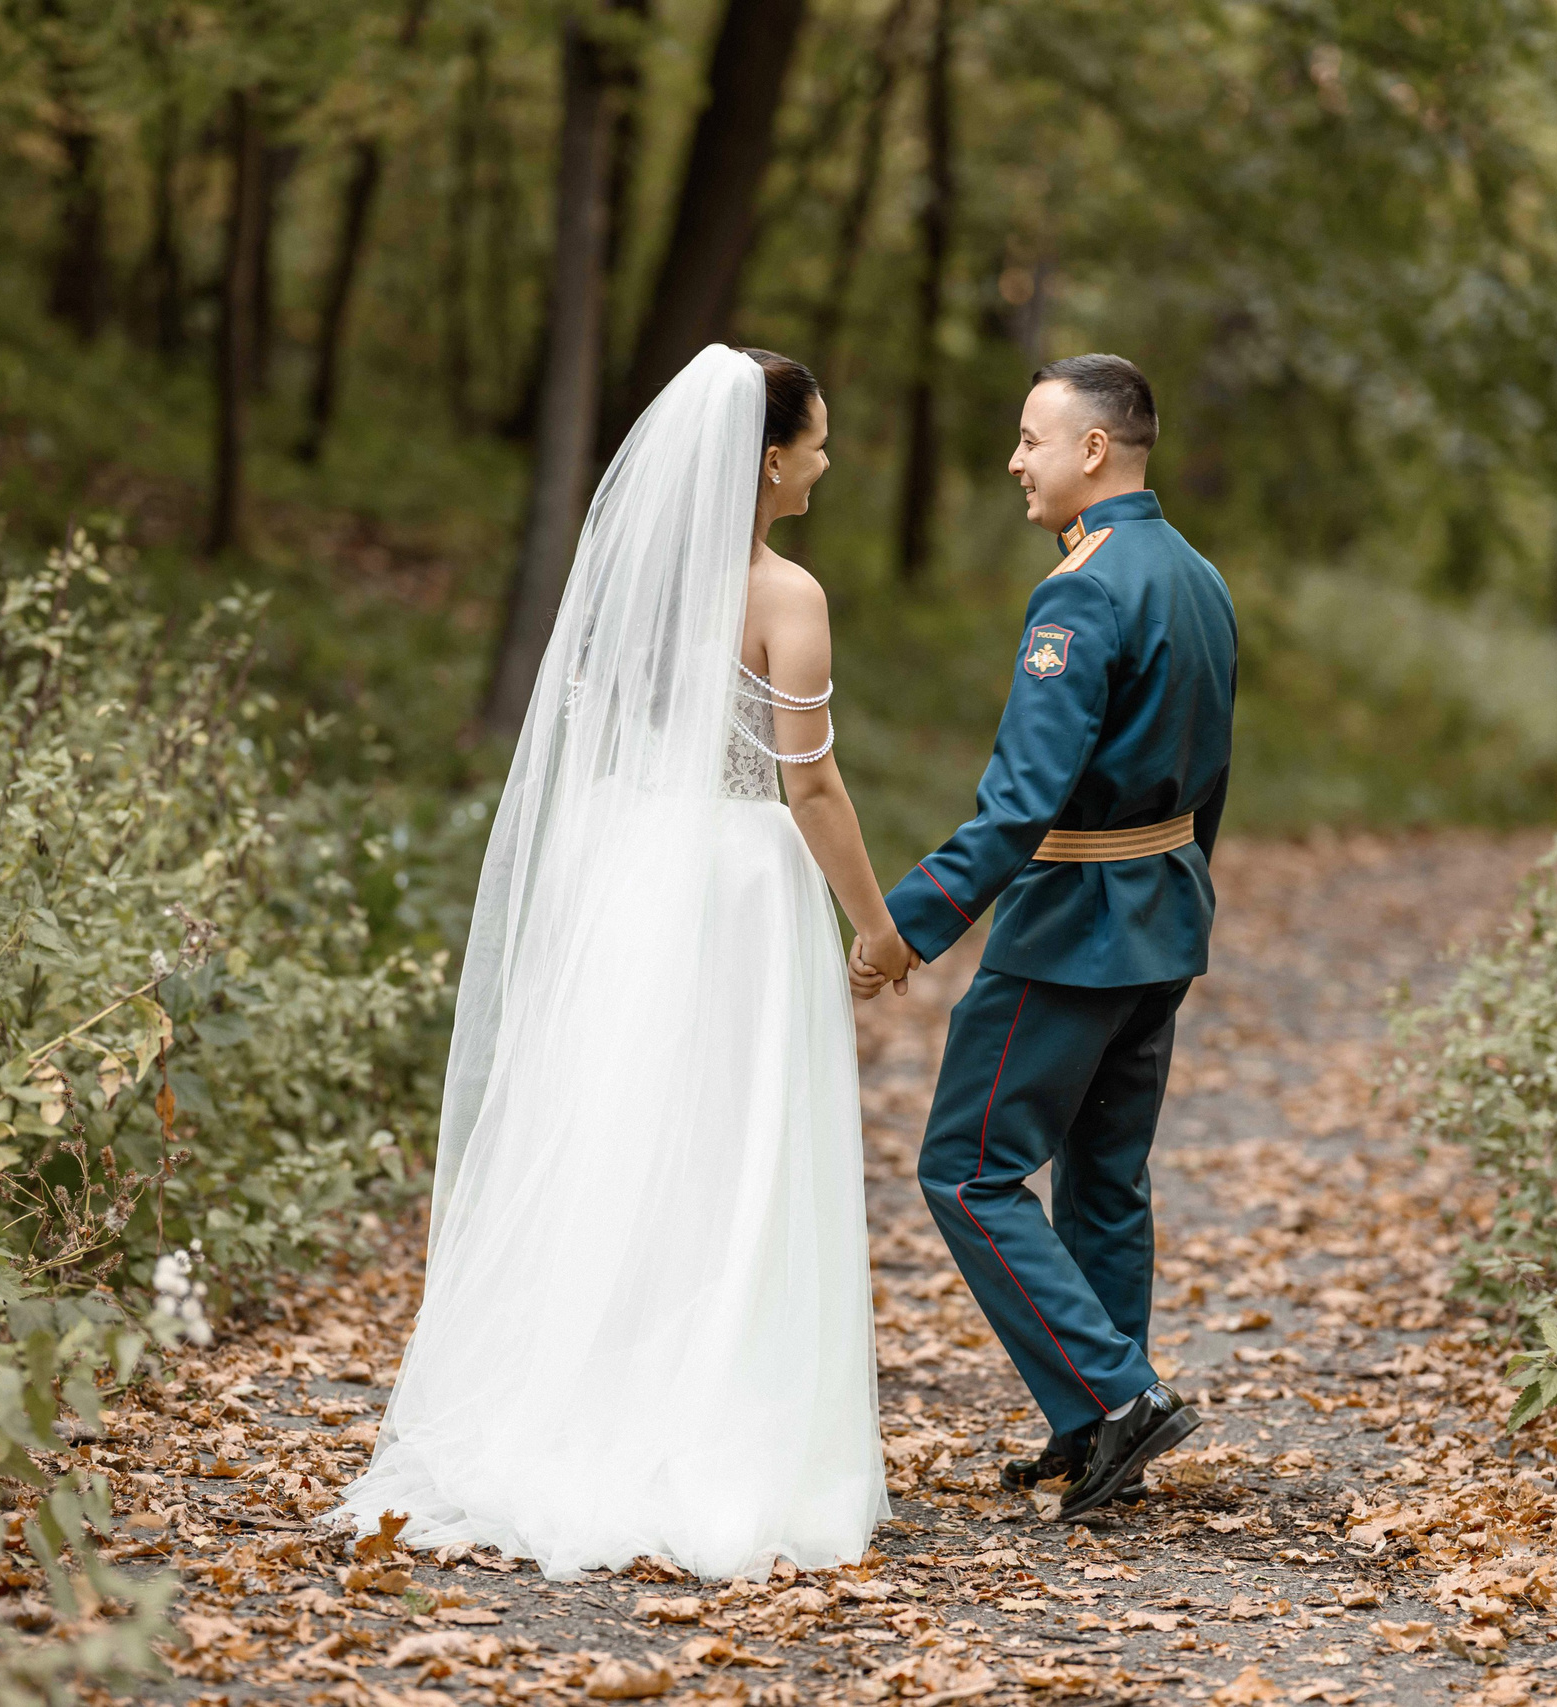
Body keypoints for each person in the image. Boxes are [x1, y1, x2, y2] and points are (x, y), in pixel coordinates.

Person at [333, 345, 912, 1579]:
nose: (826, 457)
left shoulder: (632, 588)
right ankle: (711, 1423)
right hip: (740, 885)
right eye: (815, 440)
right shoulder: (785, 597)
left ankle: (580, 1401)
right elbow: (806, 781)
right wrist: (875, 923)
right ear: (767, 462)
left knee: (623, 1134)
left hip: (633, 864)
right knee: (733, 1147)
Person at [854, 353, 1237, 1521]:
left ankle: (1116, 1398)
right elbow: (1210, 775)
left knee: (965, 1171)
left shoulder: (1081, 590)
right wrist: (1181, 890)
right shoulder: (1197, 575)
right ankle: (1094, 1427)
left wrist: (903, 928)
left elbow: (1019, 805)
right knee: (1103, 1182)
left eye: (1030, 439)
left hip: (1068, 930)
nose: (1014, 461)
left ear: (1092, 450)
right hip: (1165, 914)